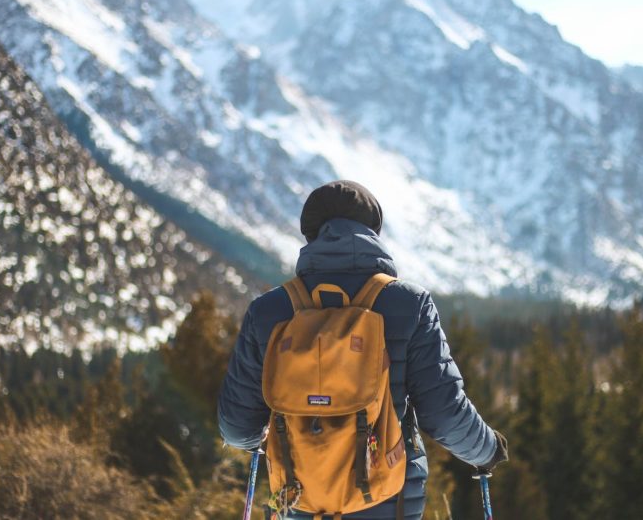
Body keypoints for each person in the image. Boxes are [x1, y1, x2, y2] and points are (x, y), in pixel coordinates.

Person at [218, 180, 508, 518]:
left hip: (298, 501)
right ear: (373, 233)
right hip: (387, 501)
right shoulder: (409, 304)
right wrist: (487, 450)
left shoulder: (269, 311)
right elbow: (443, 414)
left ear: (311, 235)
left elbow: (237, 429)